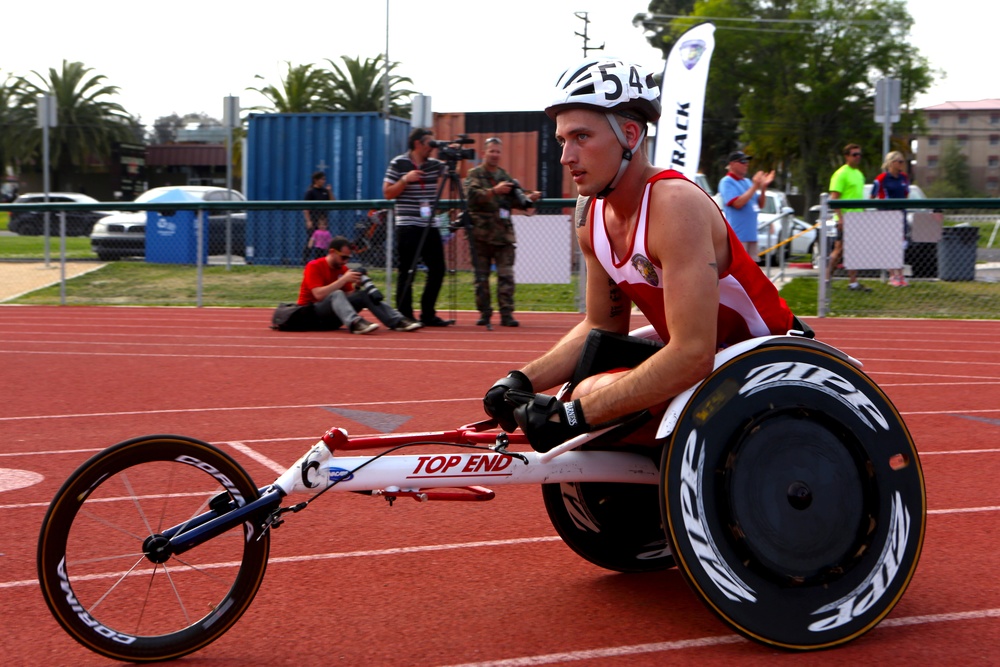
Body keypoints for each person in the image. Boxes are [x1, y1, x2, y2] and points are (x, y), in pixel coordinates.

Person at [482, 58, 798, 453]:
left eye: (581, 137)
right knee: (586, 390)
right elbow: (601, 326)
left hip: (774, 370)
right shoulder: (590, 214)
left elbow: (692, 354)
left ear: (629, 134)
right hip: (714, 369)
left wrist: (575, 415)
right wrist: (521, 381)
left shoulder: (675, 204)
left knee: (590, 397)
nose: (566, 156)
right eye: (563, 140)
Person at [463, 137, 542, 328]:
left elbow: (512, 201)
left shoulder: (505, 176)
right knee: (481, 277)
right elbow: (472, 196)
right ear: (484, 153)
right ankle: (485, 313)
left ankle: (506, 314)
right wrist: (494, 191)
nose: (495, 155)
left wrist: (528, 198)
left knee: (506, 276)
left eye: (498, 152)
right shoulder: (474, 174)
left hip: (503, 234)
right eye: (492, 151)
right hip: (480, 234)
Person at [272, 235, 422, 333]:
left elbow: (348, 298)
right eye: (343, 257)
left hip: (332, 317)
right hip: (310, 314)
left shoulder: (342, 269)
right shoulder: (314, 266)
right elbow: (318, 295)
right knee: (336, 293)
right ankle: (355, 323)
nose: (346, 262)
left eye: (348, 258)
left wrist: (357, 287)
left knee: (363, 295)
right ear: (332, 252)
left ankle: (397, 321)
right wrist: (343, 280)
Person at [383, 128, 451, 327]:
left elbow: (461, 173)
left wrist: (454, 155)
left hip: (429, 225)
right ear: (418, 144)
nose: (432, 147)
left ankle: (427, 312)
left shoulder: (434, 165)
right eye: (429, 143)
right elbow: (387, 193)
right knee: (407, 270)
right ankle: (404, 315)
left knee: (438, 269)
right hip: (407, 225)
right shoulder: (398, 163)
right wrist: (405, 179)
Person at [826, 144, 870, 291]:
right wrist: (840, 218)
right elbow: (834, 198)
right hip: (846, 217)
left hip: (858, 218)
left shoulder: (859, 174)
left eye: (859, 154)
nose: (857, 157)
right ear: (847, 156)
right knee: (839, 249)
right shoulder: (841, 174)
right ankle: (826, 278)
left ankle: (853, 282)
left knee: (854, 251)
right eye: (854, 154)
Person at [718, 151, 775, 258]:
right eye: (742, 161)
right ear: (732, 164)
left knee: (751, 269)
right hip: (738, 236)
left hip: (751, 235)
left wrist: (763, 187)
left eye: (747, 161)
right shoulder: (726, 182)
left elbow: (760, 204)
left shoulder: (747, 182)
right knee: (739, 270)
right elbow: (737, 203)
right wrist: (755, 186)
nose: (746, 164)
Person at [871, 150, 910, 287]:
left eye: (902, 162)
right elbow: (873, 196)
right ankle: (892, 275)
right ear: (891, 163)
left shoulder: (904, 177)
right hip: (887, 215)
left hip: (900, 214)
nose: (901, 164)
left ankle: (900, 274)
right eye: (899, 162)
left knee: (900, 246)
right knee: (890, 246)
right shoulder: (881, 179)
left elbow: (906, 195)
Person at [303, 171, 335, 265]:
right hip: (314, 220)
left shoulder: (325, 191)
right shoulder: (310, 192)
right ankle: (305, 259)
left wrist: (329, 191)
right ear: (315, 180)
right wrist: (308, 220)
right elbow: (306, 208)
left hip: (323, 220)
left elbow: (333, 202)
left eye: (324, 179)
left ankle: (320, 260)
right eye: (321, 179)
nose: (323, 181)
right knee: (311, 240)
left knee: (323, 241)